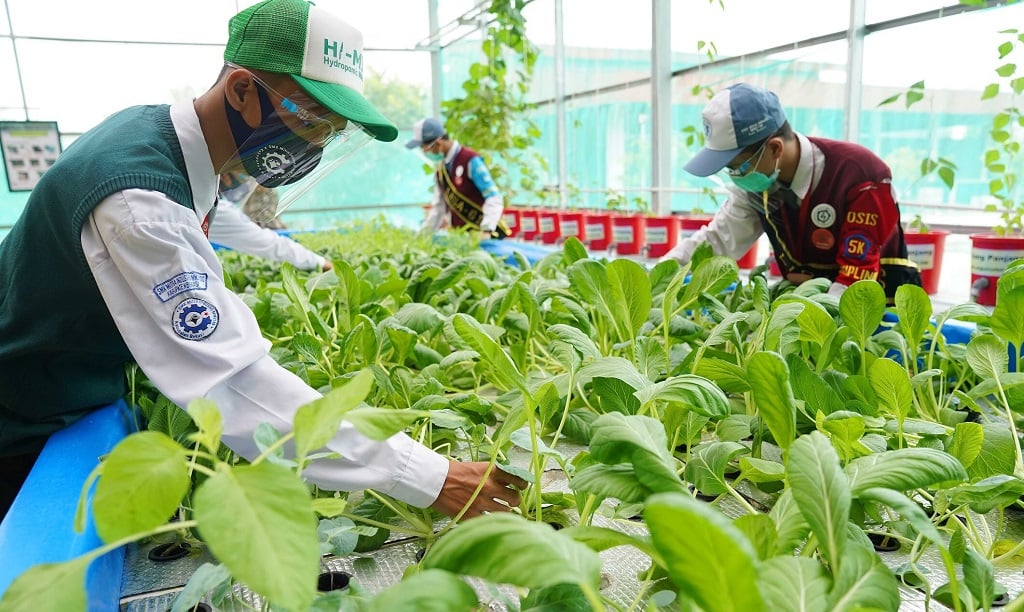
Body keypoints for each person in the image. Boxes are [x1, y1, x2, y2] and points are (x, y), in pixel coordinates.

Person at [0, 0, 523, 519]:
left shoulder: (165, 146)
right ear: (242, 90)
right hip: (23, 421)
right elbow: (231, 385)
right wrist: (435, 478)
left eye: (333, 129)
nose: (319, 140)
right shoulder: (139, 203)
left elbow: (229, 225)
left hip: (65, 392)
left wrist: (305, 260)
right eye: (314, 117)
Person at [662, 83, 922, 301]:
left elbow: (855, 281)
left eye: (737, 166)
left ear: (775, 149)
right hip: (809, 307)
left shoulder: (859, 175)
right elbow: (717, 241)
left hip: (877, 310)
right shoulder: (757, 185)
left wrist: (800, 321)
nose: (734, 176)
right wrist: (656, 277)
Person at [405, 117, 510, 239]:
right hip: (462, 238)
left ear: (438, 143)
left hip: (486, 237)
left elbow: (493, 197)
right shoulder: (441, 171)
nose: (425, 152)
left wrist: (486, 230)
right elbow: (438, 208)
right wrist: (422, 236)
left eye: (425, 148)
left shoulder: (470, 160)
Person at [215, 171, 332, 272]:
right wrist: (321, 263)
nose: (245, 180)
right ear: (224, 176)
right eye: (242, 175)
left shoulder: (213, 207)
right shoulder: (216, 211)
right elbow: (268, 243)